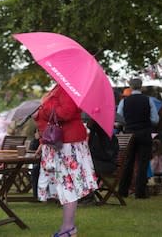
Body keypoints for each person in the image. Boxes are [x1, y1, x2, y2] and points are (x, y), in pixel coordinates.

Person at [34, 85, 97, 237]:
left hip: (67, 144)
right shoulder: (60, 87)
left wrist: (42, 110)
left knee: (68, 186)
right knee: (65, 186)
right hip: (61, 143)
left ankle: (68, 228)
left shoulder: (69, 88)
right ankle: (68, 227)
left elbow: (66, 112)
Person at [117, 77, 159, 199]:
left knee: (128, 162)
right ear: (141, 86)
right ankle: (140, 192)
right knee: (143, 163)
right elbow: (155, 119)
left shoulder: (124, 101)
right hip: (144, 132)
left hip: (129, 133)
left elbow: (120, 119)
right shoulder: (148, 100)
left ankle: (123, 190)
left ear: (130, 86)